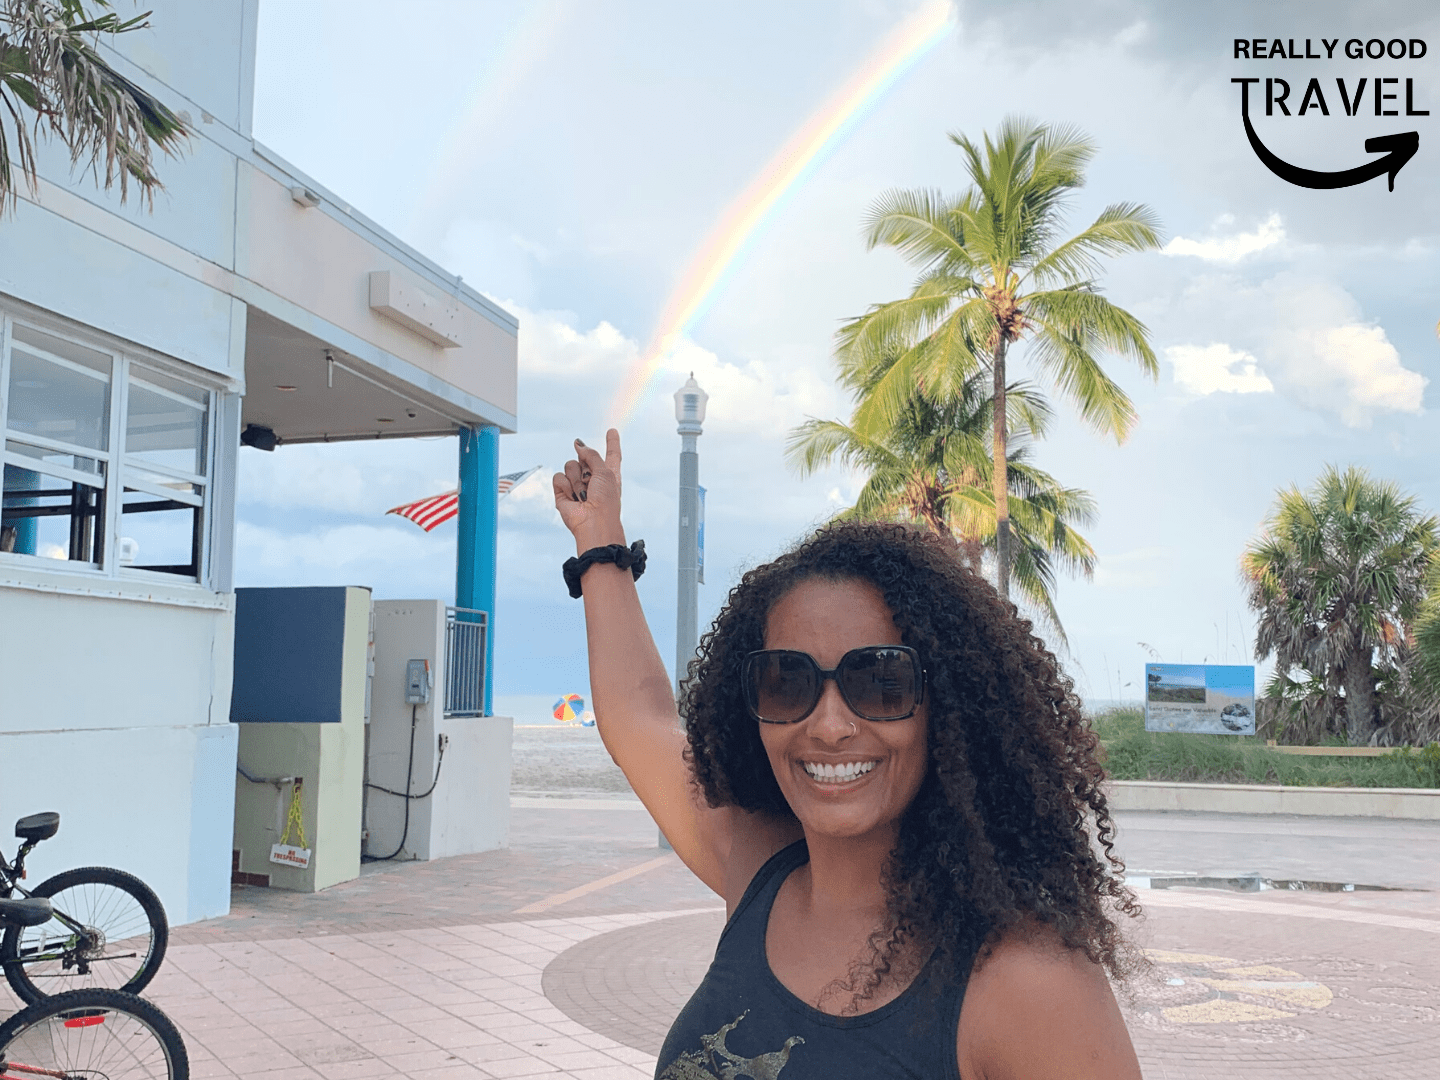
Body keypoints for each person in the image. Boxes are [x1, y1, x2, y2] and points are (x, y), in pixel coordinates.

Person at [554, 429, 1143, 1080]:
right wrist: (599, 541)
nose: (829, 726)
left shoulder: (1028, 981)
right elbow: (639, 717)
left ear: (947, 706)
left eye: (880, 681)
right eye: (788, 681)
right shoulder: (759, 871)